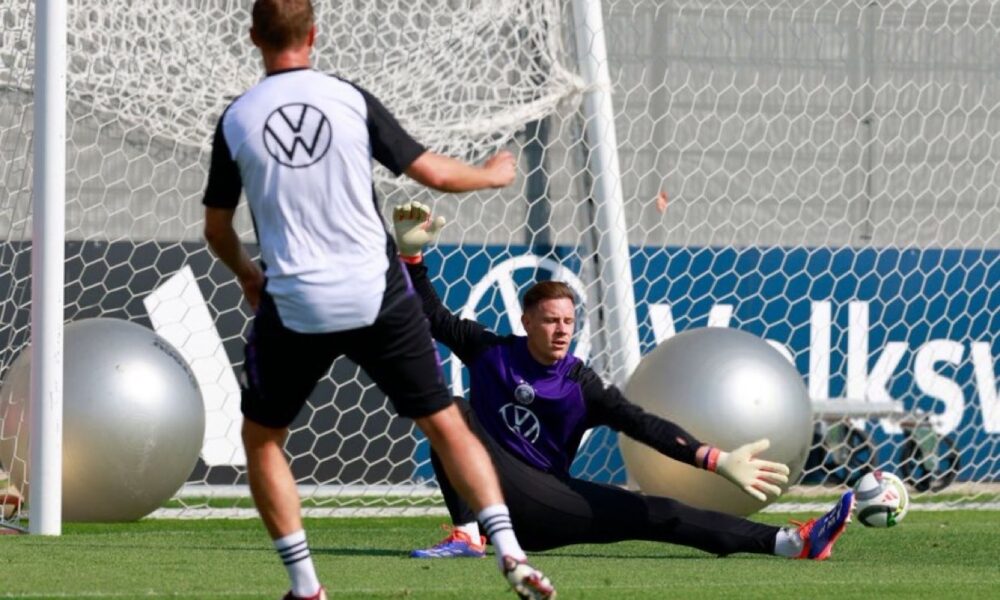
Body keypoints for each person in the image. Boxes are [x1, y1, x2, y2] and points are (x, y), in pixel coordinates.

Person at [201, 2, 555, 598]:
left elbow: (215, 229)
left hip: (296, 300)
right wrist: (494, 175)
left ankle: (307, 586)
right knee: (444, 422)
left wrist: (246, 275)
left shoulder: (238, 119)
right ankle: (511, 552)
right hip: (377, 293)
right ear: (314, 35)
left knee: (263, 440)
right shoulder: (348, 99)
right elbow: (433, 175)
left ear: (254, 37)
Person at [391, 202, 855, 562]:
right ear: (526, 320)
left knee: (660, 513)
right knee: (451, 411)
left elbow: (641, 424)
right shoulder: (489, 350)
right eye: (551, 320)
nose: (562, 330)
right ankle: (468, 535)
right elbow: (431, 314)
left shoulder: (580, 384)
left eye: (569, 321)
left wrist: (715, 460)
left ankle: (794, 542)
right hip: (490, 493)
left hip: (544, 506)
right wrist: (411, 255)